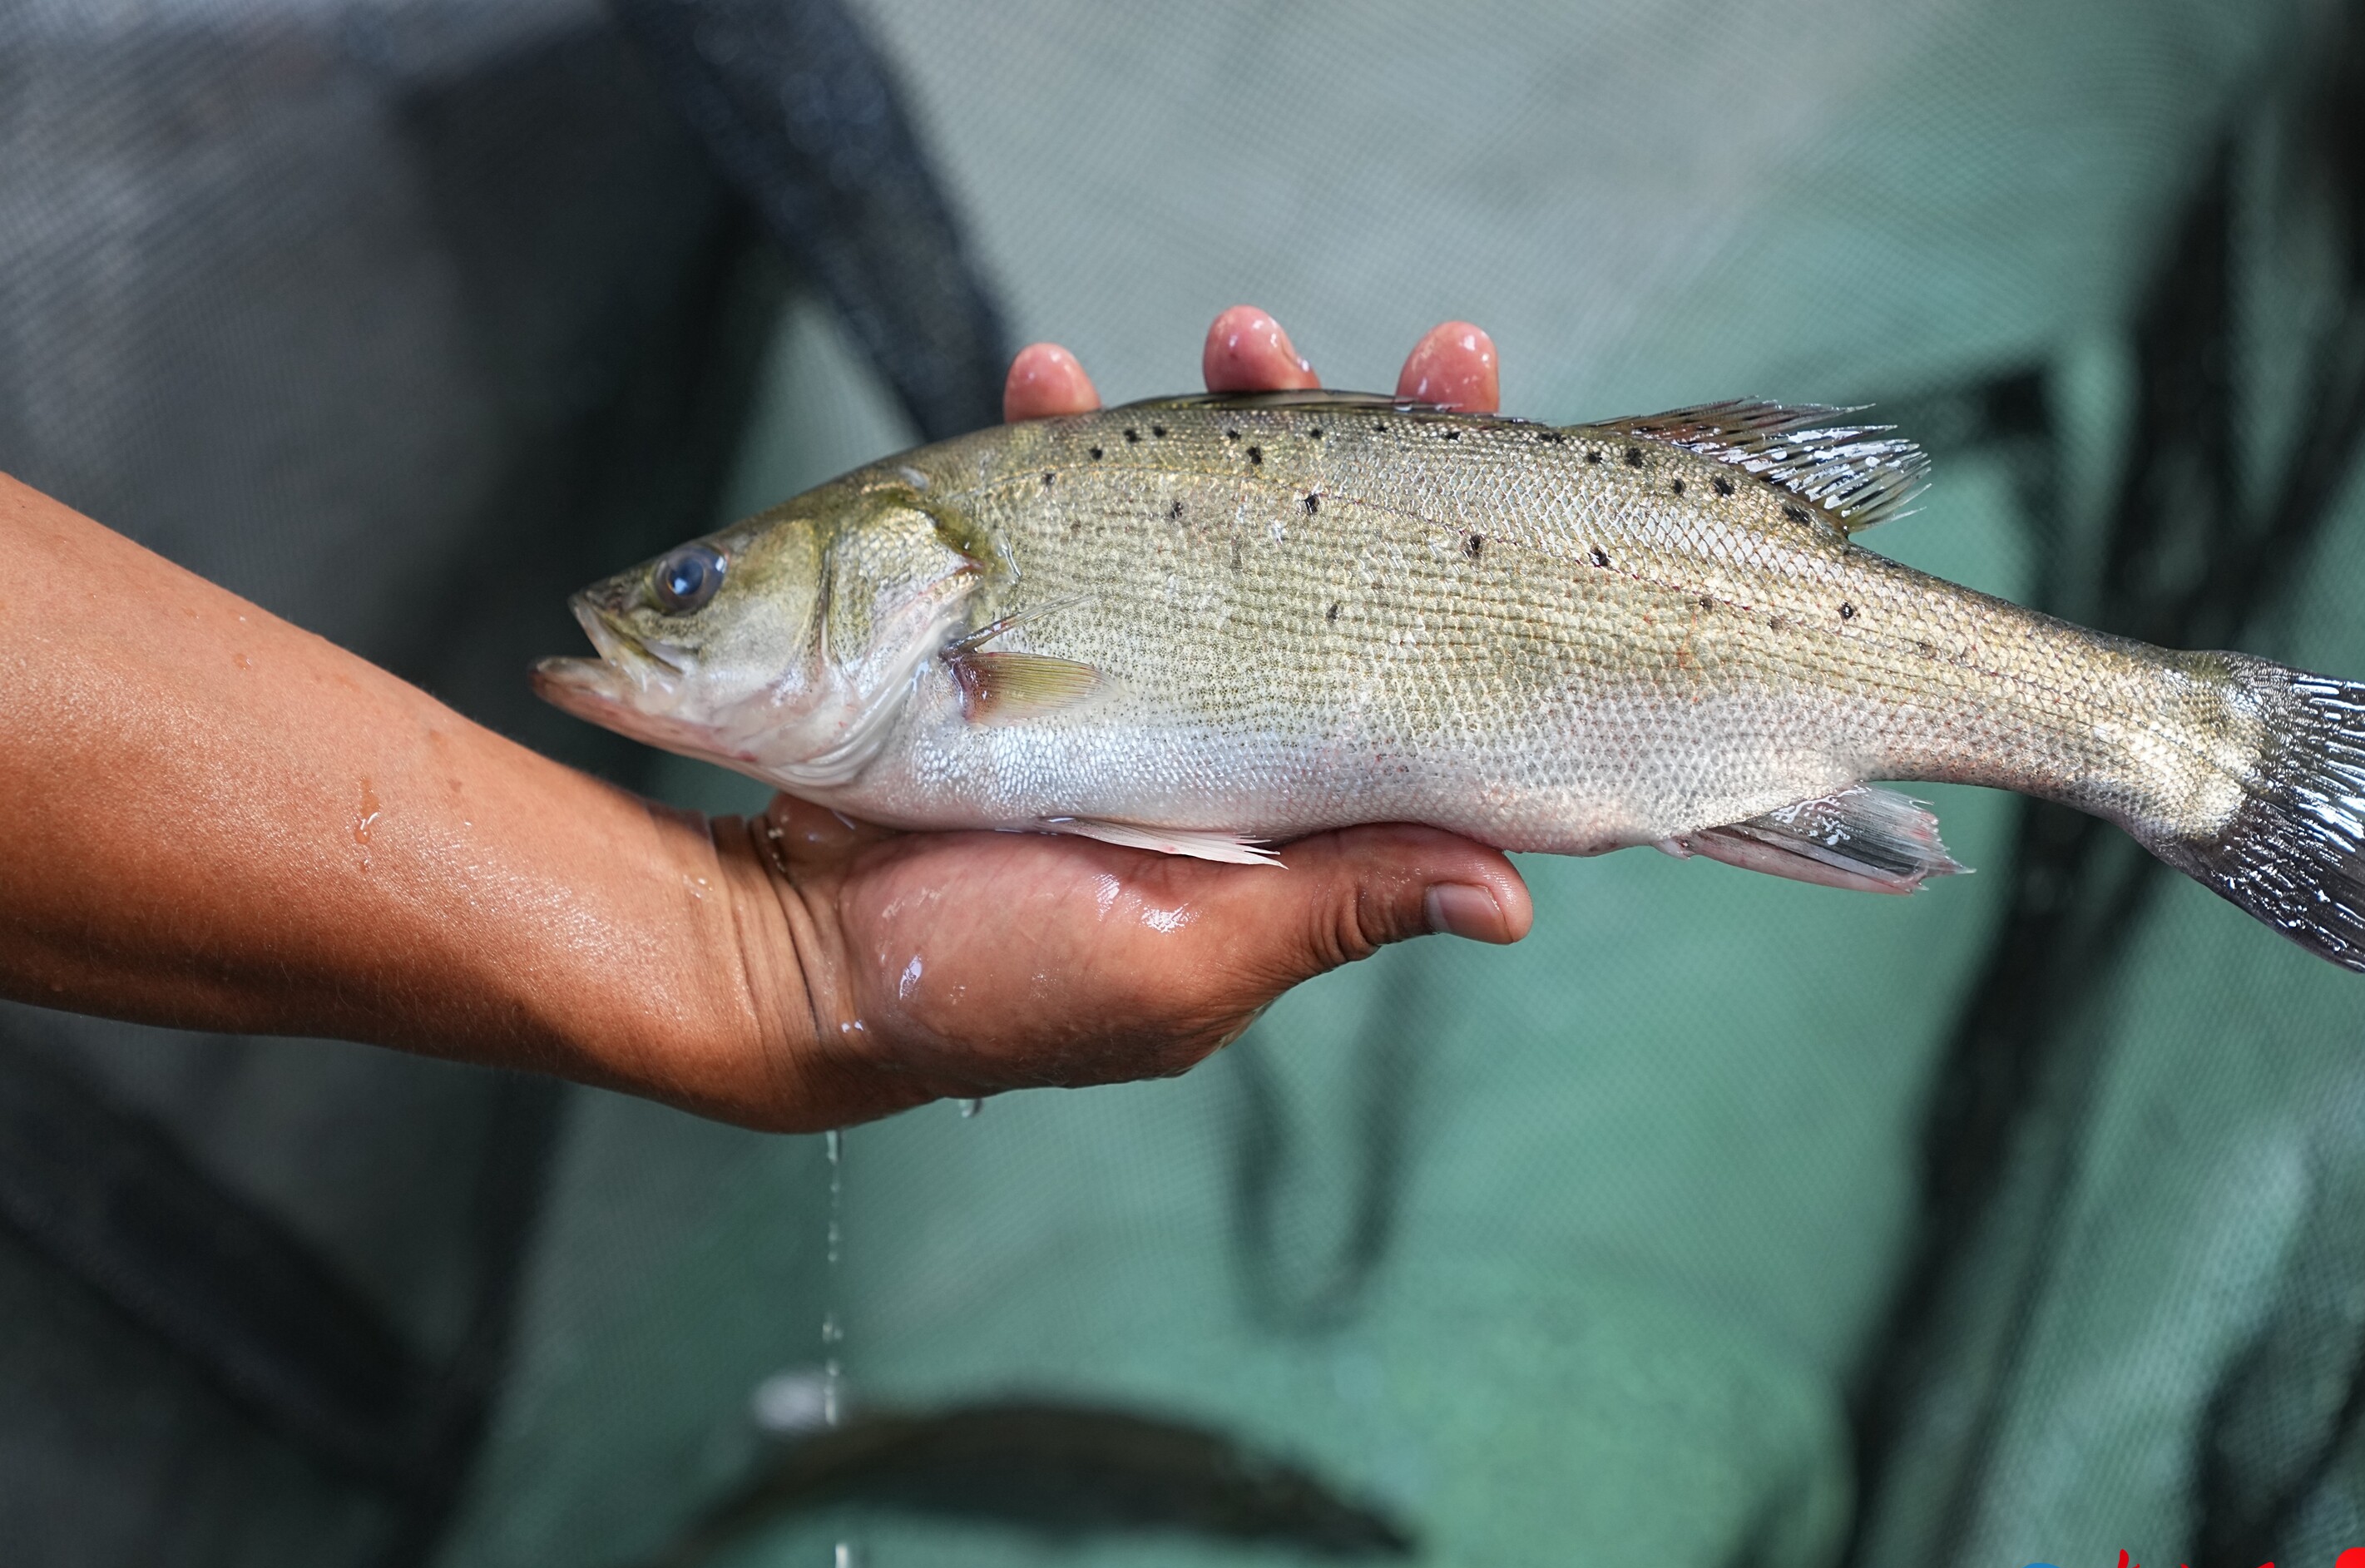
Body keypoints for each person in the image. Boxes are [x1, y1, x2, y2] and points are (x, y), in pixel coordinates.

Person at [0, 306, 1526, 1133]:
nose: (657, 604)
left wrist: (784, 968)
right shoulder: (934, 651)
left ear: (912, 581)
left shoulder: (957, 617)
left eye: (693, 584)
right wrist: (788, 971)